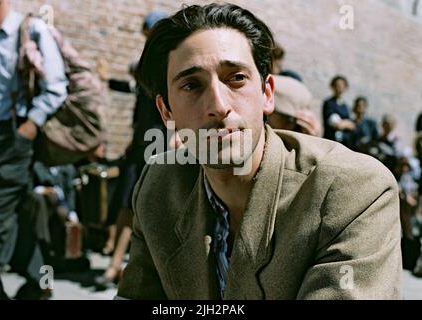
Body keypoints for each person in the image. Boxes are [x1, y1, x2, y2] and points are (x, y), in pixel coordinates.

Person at [116, 3, 401, 299]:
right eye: (191, 85)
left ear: (267, 94)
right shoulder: (159, 187)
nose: (218, 105)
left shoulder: (352, 191)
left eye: (236, 78)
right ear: (166, 113)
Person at [0, 0, 67, 299]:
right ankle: (42, 284)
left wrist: (29, 128)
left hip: (16, 136)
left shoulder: (31, 30)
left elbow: (56, 87)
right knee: (14, 215)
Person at [94, 10, 169, 288]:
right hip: (143, 144)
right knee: (128, 203)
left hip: (161, 144)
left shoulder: (163, 64)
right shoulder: (150, 67)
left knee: (148, 206)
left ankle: (131, 268)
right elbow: (135, 89)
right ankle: (116, 265)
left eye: (149, 34)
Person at [322, 75, 356, 147]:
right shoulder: (329, 103)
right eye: (337, 85)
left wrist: (345, 124)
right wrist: (345, 124)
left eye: (342, 85)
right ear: (333, 87)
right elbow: (336, 124)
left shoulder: (345, 106)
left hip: (344, 143)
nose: (339, 88)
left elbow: (352, 125)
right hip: (331, 142)